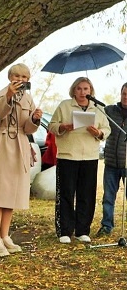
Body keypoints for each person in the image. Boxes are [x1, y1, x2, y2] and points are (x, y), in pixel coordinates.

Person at [0, 64, 42, 257]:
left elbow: (28, 129)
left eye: (24, 77)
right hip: (2, 144)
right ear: (10, 77)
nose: (21, 80)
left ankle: (5, 236)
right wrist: (8, 96)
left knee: (11, 193)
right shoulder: (1, 94)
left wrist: (35, 119)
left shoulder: (28, 99)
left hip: (20, 145)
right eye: (17, 76)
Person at [49, 77, 110, 244]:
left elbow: (107, 129)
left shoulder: (97, 109)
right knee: (66, 194)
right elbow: (52, 125)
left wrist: (98, 133)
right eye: (79, 89)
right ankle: (65, 231)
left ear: (91, 91)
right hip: (68, 156)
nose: (83, 92)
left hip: (89, 157)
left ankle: (82, 230)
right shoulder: (64, 106)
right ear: (73, 90)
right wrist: (63, 127)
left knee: (87, 195)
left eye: (86, 89)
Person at [97, 82, 127, 236]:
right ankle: (106, 225)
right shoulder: (109, 111)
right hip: (111, 163)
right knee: (108, 197)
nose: (126, 97)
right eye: (124, 94)